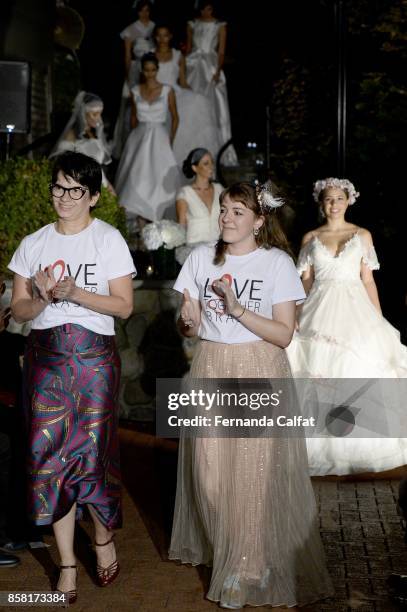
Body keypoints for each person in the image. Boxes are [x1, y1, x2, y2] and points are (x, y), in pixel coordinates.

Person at [169, 181, 333, 609]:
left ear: (259, 221)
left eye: (237, 211)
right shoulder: (200, 259)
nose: (226, 217)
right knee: (210, 478)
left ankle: (245, 566)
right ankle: (234, 553)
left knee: (253, 475)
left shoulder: (276, 263)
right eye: (224, 209)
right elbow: (189, 322)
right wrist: (187, 323)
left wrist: (238, 307)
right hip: (211, 367)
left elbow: (283, 334)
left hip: (260, 369)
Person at [8, 152, 136, 602]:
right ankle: (66, 564)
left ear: (94, 197)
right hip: (45, 359)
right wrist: (42, 297)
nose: (64, 198)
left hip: (94, 361)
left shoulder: (109, 240)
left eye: (75, 190)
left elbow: (124, 306)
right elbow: (19, 311)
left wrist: (76, 292)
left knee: (93, 454)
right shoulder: (34, 242)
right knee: (49, 457)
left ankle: (102, 539)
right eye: (58, 188)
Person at [286, 177, 407, 476]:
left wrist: (377, 319)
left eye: (339, 198)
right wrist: (296, 316)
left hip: (355, 309)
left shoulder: (362, 235)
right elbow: (306, 283)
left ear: (349, 201)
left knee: (355, 369)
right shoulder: (310, 238)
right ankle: (320, 446)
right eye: (328, 199)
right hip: (319, 308)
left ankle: (358, 444)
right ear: (321, 203)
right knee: (318, 372)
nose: (334, 204)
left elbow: (368, 280)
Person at [115, 52, 182, 224]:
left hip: (160, 137)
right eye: (146, 70)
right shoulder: (135, 90)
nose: (150, 73)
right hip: (139, 136)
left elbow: (175, 117)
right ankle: (138, 216)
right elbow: (133, 118)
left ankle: (154, 215)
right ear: (142, 71)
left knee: (158, 176)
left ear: (157, 70)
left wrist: (170, 139)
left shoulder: (168, 90)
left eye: (153, 70)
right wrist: (133, 139)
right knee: (138, 175)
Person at [154, 24, 220, 166]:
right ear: (155, 37)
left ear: (170, 36)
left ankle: (184, 161)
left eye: (165, 35)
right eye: (159, 35)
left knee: (197, 103)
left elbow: (183, 81)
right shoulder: (151, 55)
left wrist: (195, 94)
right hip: (157, 94)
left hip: (176, 92)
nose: (162, 39)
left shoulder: (178, 55)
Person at [185, 1, 238, 167]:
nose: (207, 11)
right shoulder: (192, 24)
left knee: (215, 105)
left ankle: (218, 148)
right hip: (193, 65)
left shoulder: (219, 25)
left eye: (209, 8)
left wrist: (217, 70)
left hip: (210, 66)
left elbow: (221, 50)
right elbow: (188, 47)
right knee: (191, 103)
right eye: (204, 8)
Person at [112, 0, 156, 158]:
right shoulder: (130, 29)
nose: (145, 13)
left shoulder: (154, 26)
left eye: (147, 10)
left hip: (152, 70)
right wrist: (128, 73)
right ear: (137, 12)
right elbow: (127, 55)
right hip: (136, 69)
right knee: (133, 103)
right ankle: (130, 140)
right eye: (141, 10)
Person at [51, 91, 116, 194]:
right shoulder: (71, 135)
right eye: (95, 114)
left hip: (101, 183)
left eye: (100, 114)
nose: (99, 119)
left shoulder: (94, 134)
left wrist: (108, 184)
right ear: (83, 113)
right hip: (85, 186)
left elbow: (98, 166)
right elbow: (61, 162)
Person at [176, 148, 223, 244]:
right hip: (194, 247)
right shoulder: (185, 193)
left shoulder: (219, 189)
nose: (211, 167)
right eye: (206, 163)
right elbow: (181, 226)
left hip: (218, 246)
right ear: (195, 168)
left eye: (212, 162)